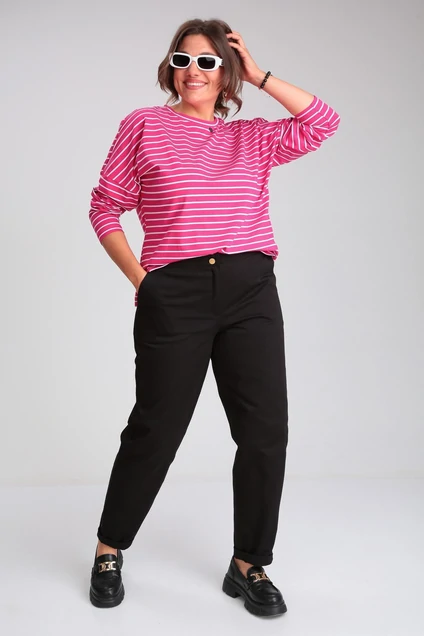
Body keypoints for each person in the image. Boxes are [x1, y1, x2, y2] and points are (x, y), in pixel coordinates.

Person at [87, 18, 340, 616]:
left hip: (250, 290)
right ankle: (108, 549)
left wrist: (259, 74)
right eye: (183, 59)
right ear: (170, 68)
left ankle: (249, 564)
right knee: (156, 428)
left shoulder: (251, 137)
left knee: (264, 432)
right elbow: (104, 207)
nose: (193, 71)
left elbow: (323, 121)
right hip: (174, 291)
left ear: (226, 72)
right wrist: (143, 281)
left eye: (208, 61)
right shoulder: (144, 125)